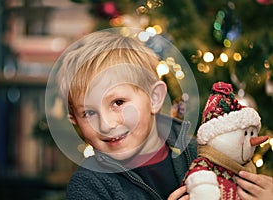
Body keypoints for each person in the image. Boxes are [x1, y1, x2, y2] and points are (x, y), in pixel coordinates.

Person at [55, 28, 272, 200]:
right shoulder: (90, 185)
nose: (106, 124)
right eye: (89, 113)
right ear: (74, 120)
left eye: (118, 102)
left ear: (155, 98)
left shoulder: (204, 154)